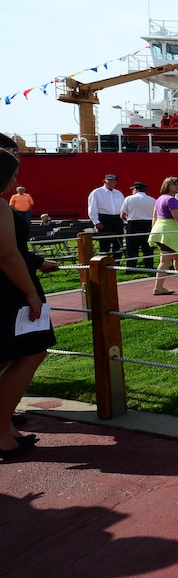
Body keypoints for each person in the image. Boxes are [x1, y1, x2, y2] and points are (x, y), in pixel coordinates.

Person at [0, 149, 59, 459]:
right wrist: (32, 294)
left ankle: (5, 427)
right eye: (13, 173)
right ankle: (1, 432)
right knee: (31, 351)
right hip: (8, 290)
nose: (16, 179)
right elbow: (8, 254)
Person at [88, 173, 125, 261]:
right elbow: (92, 207)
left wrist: (124, 221)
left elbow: (123, 207)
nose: (112, 184)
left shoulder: (118, 193)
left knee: (118, 240)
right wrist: (96, 221)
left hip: (117, 218)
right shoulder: (97, 192)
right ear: (105, 181)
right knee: (105, 241)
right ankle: (104, 261)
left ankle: (117, 261)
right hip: (104, 218)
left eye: (114, 182)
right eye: (110, 182)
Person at [121, 181, 156, 270]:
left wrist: (128, 219)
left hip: (133, 224)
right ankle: (149, 267)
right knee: (147, 248)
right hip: (148, 224)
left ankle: (131, 268)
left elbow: (122, 215)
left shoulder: (128, 199)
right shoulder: (152, 200)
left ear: (135, 190)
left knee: (132, 249)